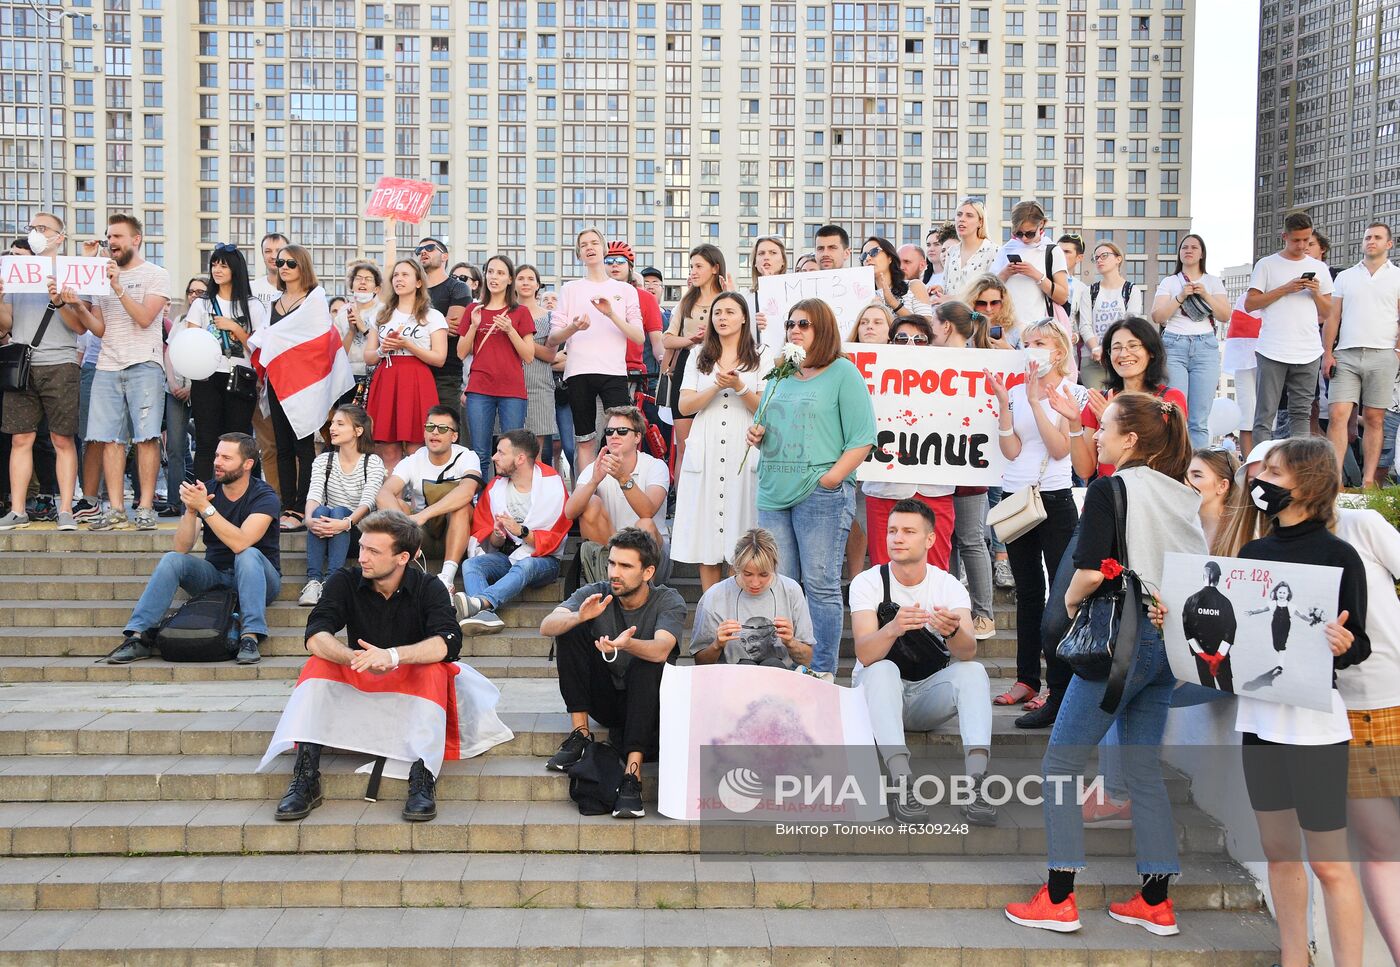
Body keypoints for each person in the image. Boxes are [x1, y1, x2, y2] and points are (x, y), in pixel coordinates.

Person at [1006, 391, 1206, 937]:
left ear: (1131, 439)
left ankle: (1060, 896)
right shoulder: (1181, 493)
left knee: (1060, 765)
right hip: (1168, 643)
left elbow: (1090, 571)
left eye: (1106, 426)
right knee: (1142, 771)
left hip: (1119, 642)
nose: (1097, 433)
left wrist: (1069, 606)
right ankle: (1156, 899)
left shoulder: (1109, 488)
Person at [1205, 438, 1368, 967]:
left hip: (1317, 728)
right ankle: (1293, 957)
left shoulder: (1339, 555)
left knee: (1330, 864)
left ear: (1309, 482)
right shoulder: (1253, 553)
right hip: (1261, 720)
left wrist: (1343, 645)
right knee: (1278, 854)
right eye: (1262, 471)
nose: (1261, 481)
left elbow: (1357, 643)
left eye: (1273, 471)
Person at [276, 509, 474, 823]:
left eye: (373, 551)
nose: (362, 557)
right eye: (362, 547)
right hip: (362, 674)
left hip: (412, 682)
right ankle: (306, 777)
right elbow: (315, 635)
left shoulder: (430, 587)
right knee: (318, 664)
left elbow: (448, 643)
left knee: (436, 667)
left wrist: (393, 656)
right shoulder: (345, 579)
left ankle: (422, 777)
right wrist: (353, 658)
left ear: (402, 557)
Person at [748, 298, 876, 676]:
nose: (795, 330)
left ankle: (821, 669)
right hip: (773, 491)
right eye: (790, 323)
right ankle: (786, 667)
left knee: (820, 586)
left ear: (823, 329)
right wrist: (755, 433)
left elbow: (862, 438)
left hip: (820, 494)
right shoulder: (780, 374)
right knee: (781, 585)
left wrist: (832, 478)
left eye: (804, 323)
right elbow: (761, 422)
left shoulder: (843, 373)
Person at [850, 499, 997, 825]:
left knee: (973, 672)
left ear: (930, 539)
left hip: (925, 696)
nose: (896, 538)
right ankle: (902, 782)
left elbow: (968, 651)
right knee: (884, 667)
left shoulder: (948, 585)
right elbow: (864, 653)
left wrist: (954, 630)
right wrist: (893, 627)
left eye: (907, 531)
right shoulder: (868, 582)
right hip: (875, 695)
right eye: (891, 531)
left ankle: (976, 784)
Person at [540, 528, 688, 819]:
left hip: (649, 704)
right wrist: (579, 616)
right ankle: (580, 734)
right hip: (606, 699)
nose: (614, 572)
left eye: (625, 566)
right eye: (612, 563)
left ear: (648, 572)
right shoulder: (596, 593)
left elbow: (661, 649)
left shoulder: (668, 601)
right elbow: (546, 625)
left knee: (648, 660)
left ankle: (632, 776)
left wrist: (629, 644)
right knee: (569, 629)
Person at [103, 433, 281, 666]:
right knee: (172, 560)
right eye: (217, 455)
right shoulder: (205, 492)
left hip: (260, 579)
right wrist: (190, 511)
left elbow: (241, 542)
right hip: (215, 576)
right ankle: (139, 636)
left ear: (247, 464)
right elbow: (181, 547)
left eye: (226, 458)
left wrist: (205, 509)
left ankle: (250, 636)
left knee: (246, 554)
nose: (217, 462)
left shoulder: (264, 496)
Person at [987, 319, 1086, 728]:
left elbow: (1062, 449)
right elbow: (1010, 449)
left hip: (1056, 499)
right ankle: (1027, 678)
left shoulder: (1071, 392)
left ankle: (1057, 685)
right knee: (1027, 592)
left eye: (1039, 342)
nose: (1031, 348)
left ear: (1059, 351)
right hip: (1016, 498)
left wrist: (1034, 401)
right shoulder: (1015, 389)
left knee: (1060, 597)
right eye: (1026, 342)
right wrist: (1007, 406)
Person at [62, 214, 171, 531]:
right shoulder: (100, 277)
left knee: (147, 437)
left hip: (145, 363)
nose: (111, 242)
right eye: (109, 237)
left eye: (118, 237)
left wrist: (118, 287)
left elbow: (145, 318)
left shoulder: (156, 274)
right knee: (109, 439)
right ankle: (117, 508)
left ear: (136, 239)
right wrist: (78, 306)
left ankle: (146, 507)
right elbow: (98, 329)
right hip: (107, 365)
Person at [0, 211, 97, 531]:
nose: (35, 233)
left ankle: (66, 508)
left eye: (43, 228)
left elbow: (80, 327)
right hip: (24, 363)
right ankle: (17, 509)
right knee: (20, 439)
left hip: (61, 362)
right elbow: (7, 324)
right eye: (32, 228)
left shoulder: (74, 271)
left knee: (62, 439)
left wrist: (62, 302)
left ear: (60, 237)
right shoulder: (16, 272)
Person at [1334, 502, 1400, 963]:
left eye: (1274, 473)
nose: (1261, 485)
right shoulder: (1267, 546)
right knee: (1381, 849)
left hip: (1393, 694)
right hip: (1347, 711)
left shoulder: (1362, 524)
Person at [671, 292, 769, 591]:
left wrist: (739, 386)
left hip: (744, 443)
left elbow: (766, 407)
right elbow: (685, 405)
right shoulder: (698, 354)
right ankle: (711, 608)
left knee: (741, 525)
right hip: (707, 442)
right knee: (707, 531)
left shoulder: (762, 354)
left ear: (744, 317)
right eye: (717, 312)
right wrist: (715, 385)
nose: (722, 317)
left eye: (729, 311)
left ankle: (736, 604)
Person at [251, 244, 342, 531]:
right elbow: (266, 337)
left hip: (305, 385)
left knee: (303, 445)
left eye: (291, 263)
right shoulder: (273, 304)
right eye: (280, 263)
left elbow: (319, 342)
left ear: (303, 265)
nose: (285, 268)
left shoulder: (315, 300)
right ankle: (286, 504)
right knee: (281, 446)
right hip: (278, 381)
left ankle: (303, 507)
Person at [546, 228, 645, 472]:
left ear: (603, 248)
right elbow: (552, 338)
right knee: (585, 440)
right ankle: (587, 499)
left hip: (614, 373)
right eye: (584, 245)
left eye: (594, 243)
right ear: (579, 254)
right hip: (579, 372)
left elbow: (639, 337)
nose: (589, 248)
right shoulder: (570, 289)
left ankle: (622, 495)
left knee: (621, 437)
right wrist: (574, 328)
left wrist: (611, 314)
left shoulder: (626, 290)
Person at [456, 429, 571, 635]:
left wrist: (521, 531)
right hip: (507, 557)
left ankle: (480, 602)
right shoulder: (494, 487)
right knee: (471, 564)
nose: (494, 457)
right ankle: (485, 615)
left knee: (526, 565)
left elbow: (555, 538)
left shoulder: (552, 483)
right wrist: (497, 536)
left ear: (519, 458)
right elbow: (485, 537)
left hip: (544, 561)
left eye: (501, 453)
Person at [929, 302, 996, 640]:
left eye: (933, 321)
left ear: (945, 327)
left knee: (969, 539)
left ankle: (983, 613)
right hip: (940, 464)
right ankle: (955, 610)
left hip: (966, 463)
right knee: (951, 542)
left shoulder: (977, 361)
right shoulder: (933, 360)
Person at [1055, 317, 1186, 481]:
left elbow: (1171, 461)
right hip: (1107, 497)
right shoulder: (1099, 400)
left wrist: (1114, 421)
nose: (1124, 354)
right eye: (1116, 348)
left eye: (1133, 346)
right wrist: (1074, 424)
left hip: (1148, 497)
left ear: (1151, 351)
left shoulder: (1170, 398)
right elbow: (1084, 471)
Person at [1245, 211, 1335, 443]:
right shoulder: (1266, 265)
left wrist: (1315, 292)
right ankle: (1259, 471)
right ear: (1284, 236)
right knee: (1265, 415)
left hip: (1308, 351)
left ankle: (1297, 473)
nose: (1302, 245)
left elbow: (1327, 313)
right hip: (1272, 349)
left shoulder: (1320, 268)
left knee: (1301, 415)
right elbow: (1250, 304)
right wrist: (1285, 289)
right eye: (1297, 240)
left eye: (1307, 240)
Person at [182, 244, 269, 482]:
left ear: (236, 269)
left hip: (241, 377)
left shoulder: (253, 305)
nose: (217, 270)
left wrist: (235, 328)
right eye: (214, 265)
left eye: (223, 265)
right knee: (206, 441)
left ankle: (244, 497)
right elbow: (190, 342)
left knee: (240, 442)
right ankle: (202, 498)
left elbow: (258, 348)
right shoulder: (202, 304)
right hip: (207, 377)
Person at [1322, 222, 1400, 485]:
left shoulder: (1397, 276)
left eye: (1377, 237)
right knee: (1338, 415)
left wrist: (1397, 351)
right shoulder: (1345, 277)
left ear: (1389, 244)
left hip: (1383, 353)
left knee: (1375, 418)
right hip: (1346, 354)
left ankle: (1368, 481)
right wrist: (1327, 353)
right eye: (1367, 237)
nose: (1371, 241)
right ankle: (1334, 481)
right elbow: (1333, 317)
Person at [376, 405, 482, 591]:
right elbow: (384, 494)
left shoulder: (467, 456)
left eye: (442, 429)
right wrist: (407, 529)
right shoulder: (412, 460)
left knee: (461, 506)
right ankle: (402, 572)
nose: (435, 433)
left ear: (454, 436)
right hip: (421, 536)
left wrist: (423, 515)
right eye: (430, 427)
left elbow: (467, 491)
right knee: (399, 504)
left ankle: (446, 577)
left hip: (459, 533)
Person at [566, 405, 671, 584]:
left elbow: (647, 513)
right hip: (611, 554)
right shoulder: (596, 467)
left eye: (622, 431)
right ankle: (606, 581)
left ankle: (642, 591)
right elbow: (569, 512)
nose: (614, 436)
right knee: (590, 503)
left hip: (653, 558)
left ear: (637, 437)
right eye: (609, 431)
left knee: (644, 524)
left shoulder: (655, 466)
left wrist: (623, 478)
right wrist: (594, 481)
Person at [364, 259, 448, 474]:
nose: (399, 279)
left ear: (419, 282)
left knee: (416, 447)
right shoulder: (381, 314)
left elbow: (440, 358)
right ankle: (391, 502)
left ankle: (418, 504)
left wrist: (407, 344)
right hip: (387, 378)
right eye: (396, 275)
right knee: (387, 448)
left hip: (417, 380)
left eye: (405, 275)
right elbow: (368, 356)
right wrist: (383, 349)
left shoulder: (432, 316)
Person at [688, 528, 815, 668]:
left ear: (774, 567)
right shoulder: (715, 596)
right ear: (736, 566)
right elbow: (700, 662)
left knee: (773, 664)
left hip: (780, 678)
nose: (755, 583)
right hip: (732, 680)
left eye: (764, 575)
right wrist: (717, 645)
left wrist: (791, 642)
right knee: (745, 666)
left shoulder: (791, 590)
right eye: (748, 574)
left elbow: (807, 659)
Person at [298, 405, 386, 606]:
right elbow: (314, 494)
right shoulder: (323, 461)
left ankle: (333, 582)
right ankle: (313, 581)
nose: (332, 428)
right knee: (320, 511)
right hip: (328, 531)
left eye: (340, 424)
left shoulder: (372, 462)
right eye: (332, 424)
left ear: (358, 431)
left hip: (359, 533)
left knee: (337, 511)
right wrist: (309, 520)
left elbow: (369, 502)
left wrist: (345, 523)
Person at [458, 254, 536, 478]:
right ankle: (482, 502)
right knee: (480, 451)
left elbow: (528, 355)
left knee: (512, 451)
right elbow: (461, 352)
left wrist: (510, 330)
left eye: (500, 273)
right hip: (480, 388)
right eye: (490, 271)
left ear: (510, 279)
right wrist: (474, 326)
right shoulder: (474, 309)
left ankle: (509, 501)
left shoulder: (520, 312)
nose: (494, 277)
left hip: (512, 389)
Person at [1152, 234, 1231, 447]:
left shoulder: (1212, 282)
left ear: (1202, 253)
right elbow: (1158, 316)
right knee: (1176, 413)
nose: (1189, 250)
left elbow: (1225, 315)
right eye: (1184, 247)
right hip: (1174, 344)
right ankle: (1174, 466)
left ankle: (1196, 471)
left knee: (1199, 419)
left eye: (1194, 247)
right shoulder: (1170, 282)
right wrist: (1179, 297)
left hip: (1205, 346)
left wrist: (1205, 294)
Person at [663, 244, 726, 476]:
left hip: (719, 371)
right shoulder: (685, 301)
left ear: (714, 268)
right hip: (686, 371)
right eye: (691, 267)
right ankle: (682, 508)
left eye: (699, 266)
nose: (693, 272)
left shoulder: (727, 299)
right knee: (685, 446)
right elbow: (667, 340)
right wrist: (691, 339)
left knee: (716, 445)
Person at [410, 237, 472, 414]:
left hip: (446, 374)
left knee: (446, 429)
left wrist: (415, 325)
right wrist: (438, 324)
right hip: (413, 370)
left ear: (444, 256)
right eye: (418, 250)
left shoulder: (458, 287)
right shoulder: (411, 290)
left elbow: (452, 329)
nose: (423, 252)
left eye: (429, 248)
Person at [249, 233, 289, 493]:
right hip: (257, 374)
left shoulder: (302, 289)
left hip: (289, 376)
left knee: (292, 443)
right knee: (268, 444)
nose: (273, 256)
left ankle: (295, 499)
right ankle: (273, 498)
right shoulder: (251, 289)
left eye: (279, 250)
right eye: (268, 251)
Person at [992, 201, 1069, 331]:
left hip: (1037, 330)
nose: (1024, 238)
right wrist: (1004, 274)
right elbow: (988, 291)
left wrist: (1036, 275)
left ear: (1042, 224)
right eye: (1018, 233)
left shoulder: (1052, 251)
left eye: (1030, 233)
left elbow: (1062, 297)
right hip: (1006, 327)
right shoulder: (1006, 250)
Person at [1078, 242, 1141, 390]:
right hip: (1093, 361)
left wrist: (1113, 349)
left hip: (1122, 358)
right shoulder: (1090, 291)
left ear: (1118, 259)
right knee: (1096, 406)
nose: (1099, 260)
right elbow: (1085, 325)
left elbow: (1130, 325)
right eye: (1096, 258)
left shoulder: (1131, 290)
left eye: (1104, 255)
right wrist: (1095, 348)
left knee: (1121, 407)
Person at [515, 263, 559, 460]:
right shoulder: (505, 313)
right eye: (521, 278)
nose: (526, 283)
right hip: (509, 387)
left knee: (536, 452)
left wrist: (519, 338)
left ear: (538, 285)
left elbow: (550, 355)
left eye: (530, 279)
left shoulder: (549, 317)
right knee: (510, 449)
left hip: (539, 386)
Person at [1181, 561, 1237, 692]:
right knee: (1227, 694)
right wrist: (1217, 657)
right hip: (1221, 660)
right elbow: (1230, 630)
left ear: (1203, 577)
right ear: (1218, 579)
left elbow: (1188, 632)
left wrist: (1204, 656)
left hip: (1201, 658)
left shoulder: (1191, 600)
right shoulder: (1225, 602)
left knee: (1206, 693)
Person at [334, 260, 382, 405]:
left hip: (375, 375)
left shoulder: (384, 312)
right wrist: (351, 332)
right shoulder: (342, 315)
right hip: (347, 377)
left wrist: (364, 328)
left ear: (377, 288)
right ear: (351, 285)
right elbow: (338, 354)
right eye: (358, 278)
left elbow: (386, 346)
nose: (362, 282)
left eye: (368, 279)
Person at [860, 236, 934, 319]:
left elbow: (927, 325)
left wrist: (893, 302)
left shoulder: (913, 286)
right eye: (863, 255)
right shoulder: (861, 296)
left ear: (890, 258)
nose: (867, 258)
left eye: (874, 252)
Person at [1186, 446, 1240, 552]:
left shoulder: (1241, 535)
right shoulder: (1181, 528)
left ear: (1222, 486)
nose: (1185, 482)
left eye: (1196, 475)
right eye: (1184, 475)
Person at [943, 200, 998, 296]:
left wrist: (952, 300)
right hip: (951, 310)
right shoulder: (951, 251)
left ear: (980, 222)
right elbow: (946, 288)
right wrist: (939, 290)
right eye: (959, 214)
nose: (962, 219)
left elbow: (992, 294)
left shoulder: (993, 251)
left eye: (969, 215)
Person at [963, 273, 1022, 351]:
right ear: (972, 302)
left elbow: (1025, 361)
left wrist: (1008, 350)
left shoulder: (1015, 329)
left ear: (1004, 302)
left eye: (994, 303)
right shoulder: (961, 327)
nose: (988, 309)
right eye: (981, 303)